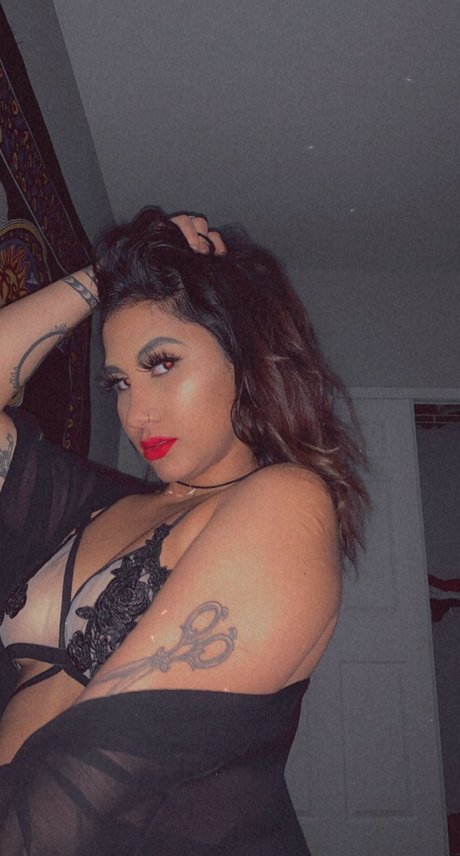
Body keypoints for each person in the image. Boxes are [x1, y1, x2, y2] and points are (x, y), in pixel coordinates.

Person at [0, 208, 367, 854]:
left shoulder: (286, 506)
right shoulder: (86, 505)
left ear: (244, 356)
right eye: (119, 381)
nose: (135, 413)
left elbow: (86, 778)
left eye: (162, 364)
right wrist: (102, 278)